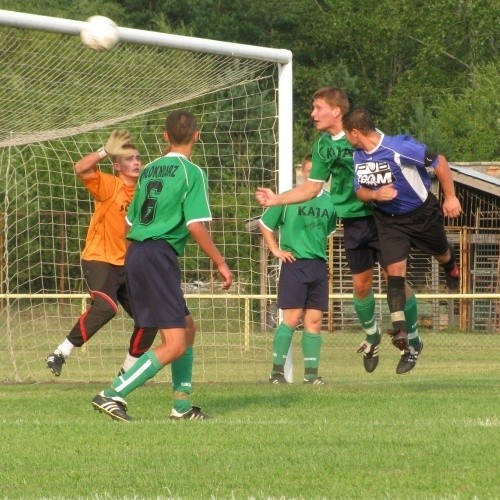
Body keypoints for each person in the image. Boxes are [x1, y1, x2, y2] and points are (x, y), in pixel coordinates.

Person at [256, 87, 420, 374]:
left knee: (395, 278)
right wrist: (277, 199)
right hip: (354, 222)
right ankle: (372, 336)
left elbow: (393, 161)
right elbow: (312, 187)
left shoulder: (362, 133)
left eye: (318, 108)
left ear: (336, 110)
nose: (313, 114)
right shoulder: (322, 146)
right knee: (360, 286)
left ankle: (414, 341)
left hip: (382, 216)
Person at [46, 130, 202, 419]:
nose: (136, 162)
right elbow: (81, 168)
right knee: (105, 307)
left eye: (138, 157)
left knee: (152, 320)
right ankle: (60, 352)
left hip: (132, 263)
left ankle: (126, 374)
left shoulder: (146, 186)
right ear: (117, 166)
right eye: (128, 158)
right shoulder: (109, 184)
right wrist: (105, 151)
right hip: (101, 260)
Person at [91, 109, 233, 422]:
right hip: (157, 255)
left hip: (138, 252)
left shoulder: (150, 169)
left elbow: (129, 224)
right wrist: (221, 263)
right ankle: (112, 393)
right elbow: (196, 225)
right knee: (174, 344)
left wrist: (136, 261)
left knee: (186, 327)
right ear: (197, 136)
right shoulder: (191, 172)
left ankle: (181, 406)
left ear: (165, 136)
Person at [342, 107, 461, 373]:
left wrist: (451, 197)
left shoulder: (399, 147)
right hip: (388, 221)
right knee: (394, 275)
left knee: (441, 253)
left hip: (421, 215)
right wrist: (375, 196)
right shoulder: (359, 156)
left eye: (346, 134)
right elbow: (360, 191)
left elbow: (439, 161)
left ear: (355, 132)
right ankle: (404, 337)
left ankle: (450, 264)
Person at [260, 155, 336, 385]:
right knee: (291, 319)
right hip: (295, 264)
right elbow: (265, 224)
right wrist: (276, 250)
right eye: (310, 170)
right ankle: (275, 374)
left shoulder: (330, 203)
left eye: (319, 171)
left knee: (314, 322)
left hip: (318, 266)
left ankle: (311, 375)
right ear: (302, 173)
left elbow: (327, 234)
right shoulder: (288, 199)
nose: (315, 174)